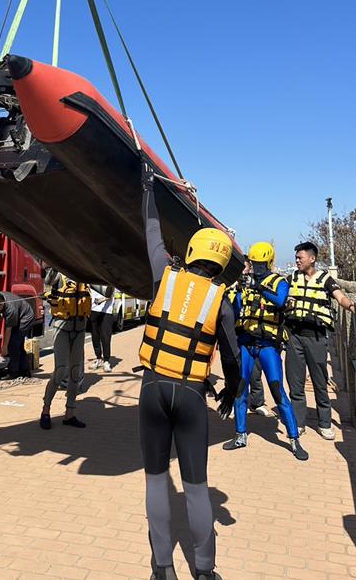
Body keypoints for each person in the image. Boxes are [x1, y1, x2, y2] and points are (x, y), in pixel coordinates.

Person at [139, 158, 241, 580]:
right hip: (193, 394)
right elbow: (233, 359)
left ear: (194, 252)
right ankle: (204, 570)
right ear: (221, 263)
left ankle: (162, 568)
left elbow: (151, 232)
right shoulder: (222, 300)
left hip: (151, 389)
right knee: (196, 487)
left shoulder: (165, 275)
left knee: (155, 480)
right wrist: (231, 393)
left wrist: (148, 189)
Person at [223, 243, 308, 461]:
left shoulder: (279, 282)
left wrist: (259, 286)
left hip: (268, 345)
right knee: (241, 390)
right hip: (246, 343)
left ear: (269, 263)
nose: (257, 267)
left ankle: (294, 439)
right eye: (254, 264)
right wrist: (231, 294)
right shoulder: (244, 284)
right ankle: (240, 435)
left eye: (261, 264)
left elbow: (280, 300)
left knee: (277, 390)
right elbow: (236, 310)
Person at [285, 241, 355, 440]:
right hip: (294, 336)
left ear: (312, 259)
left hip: (316, 337)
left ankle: (324, 423)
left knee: (320, 381)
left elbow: (340, 297)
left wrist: (351, 305)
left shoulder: (325, 279)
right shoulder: (291, 278)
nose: (297, 261)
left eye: (301, 257)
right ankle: (298, 423)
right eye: (296, 257)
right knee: (295, 383)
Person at [39, 269, 91, 430]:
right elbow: (48, 280)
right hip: (62, 327)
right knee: (60, 370)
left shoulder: (85, 276)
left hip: (80, 329)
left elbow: (108, 290)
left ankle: (70, 413)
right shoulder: (60, 274)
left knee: (75, 372)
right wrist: (57, 263)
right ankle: (45, 411)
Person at [225, 266, 270, 416]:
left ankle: (257, 403)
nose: (242, 272)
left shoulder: (256, 285)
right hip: (233, 333)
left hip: (251, 334)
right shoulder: (229, 287)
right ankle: (231, 402)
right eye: (240, 268)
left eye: (245, 268)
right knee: (233, 370)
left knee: (255, 372)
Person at [0, 291, 36, 378]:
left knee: (12, 345)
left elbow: (8, 329)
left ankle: (14, 371)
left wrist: (5, 347)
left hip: (25, 319)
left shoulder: (11, 309)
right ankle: (25, 371)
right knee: (19, 346)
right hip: (19, 315)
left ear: (1, 303)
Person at [89, 284, 115, 372]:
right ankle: (98, 358)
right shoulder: (92, 277)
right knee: (95, 337)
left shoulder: (108, 277)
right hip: (93, 310)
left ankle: (106, 361)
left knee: (106, 337)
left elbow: (110, 294)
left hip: (106, 311)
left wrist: (101, 300)